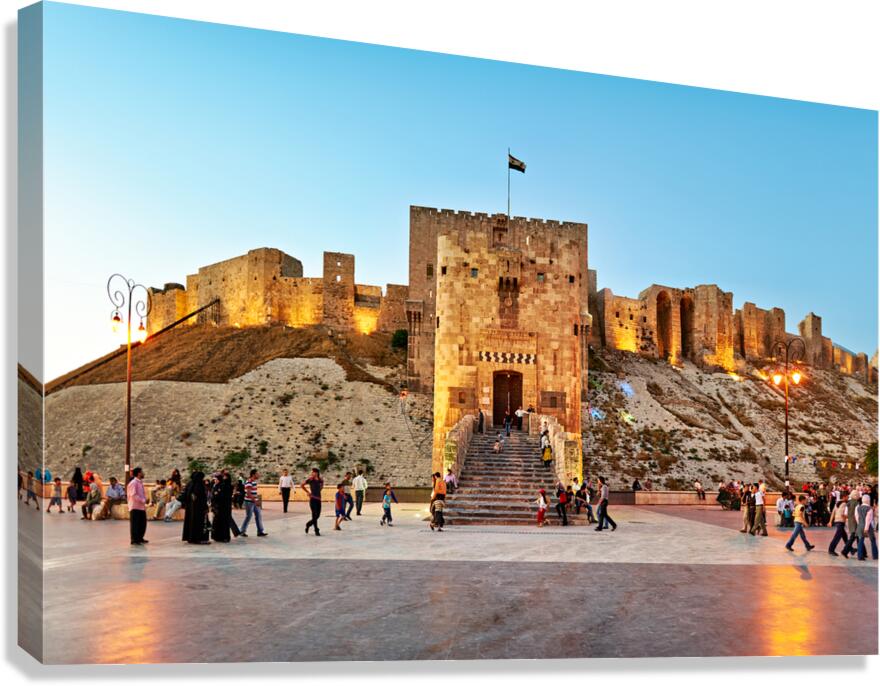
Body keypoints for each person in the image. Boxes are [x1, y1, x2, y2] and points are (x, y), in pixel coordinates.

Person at [181, 470, 210, 544]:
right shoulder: (199, 485)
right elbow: (202, 497)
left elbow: (186, 495)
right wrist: (205, 507)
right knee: (198, 523)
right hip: (199, 508)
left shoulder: (190, 484)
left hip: (190, 507)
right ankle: (198, 538)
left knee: (190, 522)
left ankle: (190, 538)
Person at [240, 469, 267, 537]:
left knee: (258, 516)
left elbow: (253, 493)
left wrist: (256, 500)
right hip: (249, 502)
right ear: (253, 474)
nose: (259, 475)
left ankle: (260, 531)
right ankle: (242, 531)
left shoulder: (254, 482)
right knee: (248, 516)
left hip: (254, 501)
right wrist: (255, 501)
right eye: (257, 474)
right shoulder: (249, 482)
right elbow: (248, 493)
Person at [211, 472, 236, 542]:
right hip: (221, 507)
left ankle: (223, 537)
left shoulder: (223, 486)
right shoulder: (219, 486)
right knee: (220, 522)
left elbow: (219, 496)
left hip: (223, 507)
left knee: (223, 522)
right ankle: (219, 537)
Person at [126, 467, 148, 546]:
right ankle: (134, 539)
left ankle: (140, 537)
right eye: (142, 472)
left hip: (141, 506)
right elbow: (133, 495)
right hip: (135, 506)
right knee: (135, 524)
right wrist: (143, 500)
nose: (143, 473)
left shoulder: (140, 482)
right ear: (139, 473)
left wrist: (144, 499)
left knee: (142, 523)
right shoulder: (133, 483)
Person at [855, 494, 877, 561]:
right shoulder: (869, 508)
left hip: (860, 525)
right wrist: (866, 528)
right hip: (868, 526)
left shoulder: (858, 507)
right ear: (868, 500)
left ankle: (860, 556)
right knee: (873, 540)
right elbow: (868, 519)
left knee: (861, 541)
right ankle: (875, 555)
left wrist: (859, 524)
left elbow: (856, 516)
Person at [302, 468, 324, 536]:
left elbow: (321, 487)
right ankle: (316, 530)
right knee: (314, 515)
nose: (312, 473)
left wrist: (318, 490)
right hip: (312, 499)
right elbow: (302, 485)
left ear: (317, 473)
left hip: (319, 499)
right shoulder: (310, 479)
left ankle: (308, 524)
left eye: (313, 472)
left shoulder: (321, 480)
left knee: (318, 515)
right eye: (312, 472)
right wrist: (308, 492)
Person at [841, 490, 862, 558]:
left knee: (857, 536)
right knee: (853, 537)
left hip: (850, 521)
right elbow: (857, 514)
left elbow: (846, 514)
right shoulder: (857, 503)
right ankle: (844, 551)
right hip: (855, 522)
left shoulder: (848, 503)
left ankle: (862, 552)